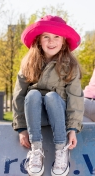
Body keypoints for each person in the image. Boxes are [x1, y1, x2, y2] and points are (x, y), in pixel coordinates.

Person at [12, 15, 84, 176]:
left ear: (64, 41)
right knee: (32, 95)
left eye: (56, 37)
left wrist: (72, 129)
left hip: (59, 115)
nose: (51, 42)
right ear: (39, 40)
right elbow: (18, 96)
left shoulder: (70, 66)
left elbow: (75, 98)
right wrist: (22, 128)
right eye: (46, 37)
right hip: (34, 115)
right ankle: (36, 150)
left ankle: (61, 150)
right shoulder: (28, 63)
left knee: (51, 96)